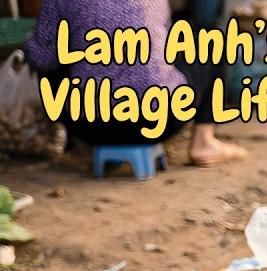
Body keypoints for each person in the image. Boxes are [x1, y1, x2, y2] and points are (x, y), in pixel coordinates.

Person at [25, 0, 247, 167]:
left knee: (50, 56)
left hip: (90, 125)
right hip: (160, 120)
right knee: (211, 42)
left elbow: (42, 59)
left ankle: (84, 148)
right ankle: (204, 141)